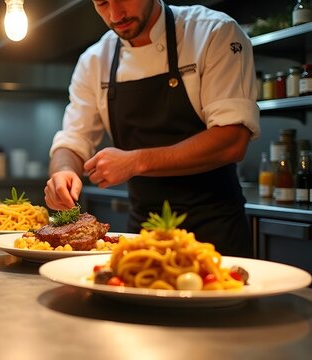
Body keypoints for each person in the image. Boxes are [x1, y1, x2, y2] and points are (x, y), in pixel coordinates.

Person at [44, 0, 260, 257]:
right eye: (102, 3)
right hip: (143, 235)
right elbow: (73, 139)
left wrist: (136, 161)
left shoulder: (212, 32)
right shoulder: (94, 61)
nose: (115, 14)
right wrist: (64, 171)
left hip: (216, 232)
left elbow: (232, 139)